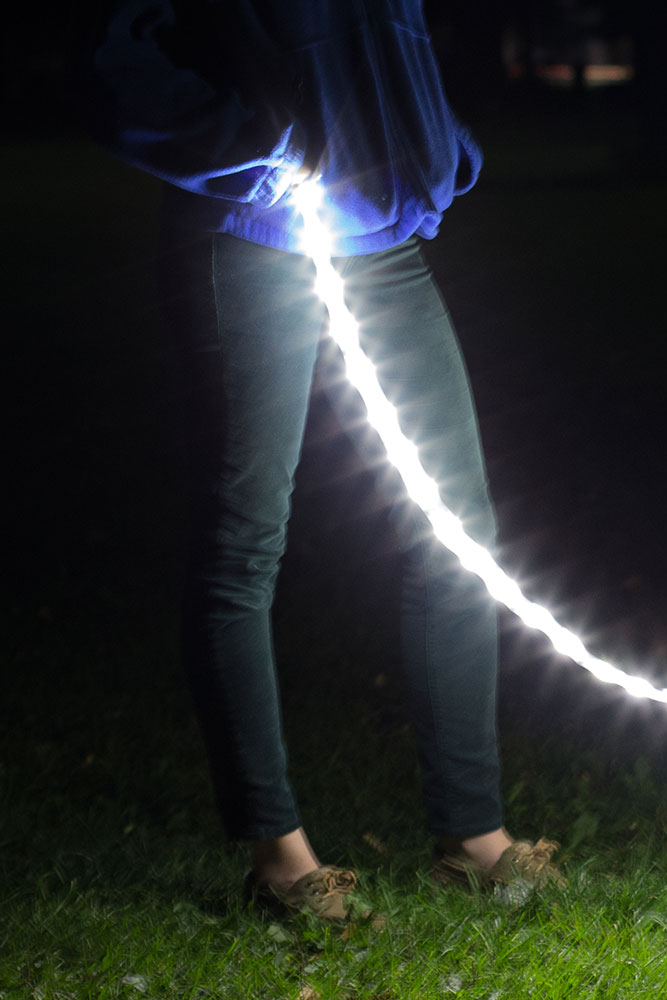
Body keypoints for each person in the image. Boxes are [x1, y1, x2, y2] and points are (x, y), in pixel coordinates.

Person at [83, 0, 562, 921]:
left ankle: (471, 839)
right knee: (246, 545)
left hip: (383, 246)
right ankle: (280, 860)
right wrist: (258, 150)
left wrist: (430, 134)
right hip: (253, 234)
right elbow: (113, 62)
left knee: (457, 537)